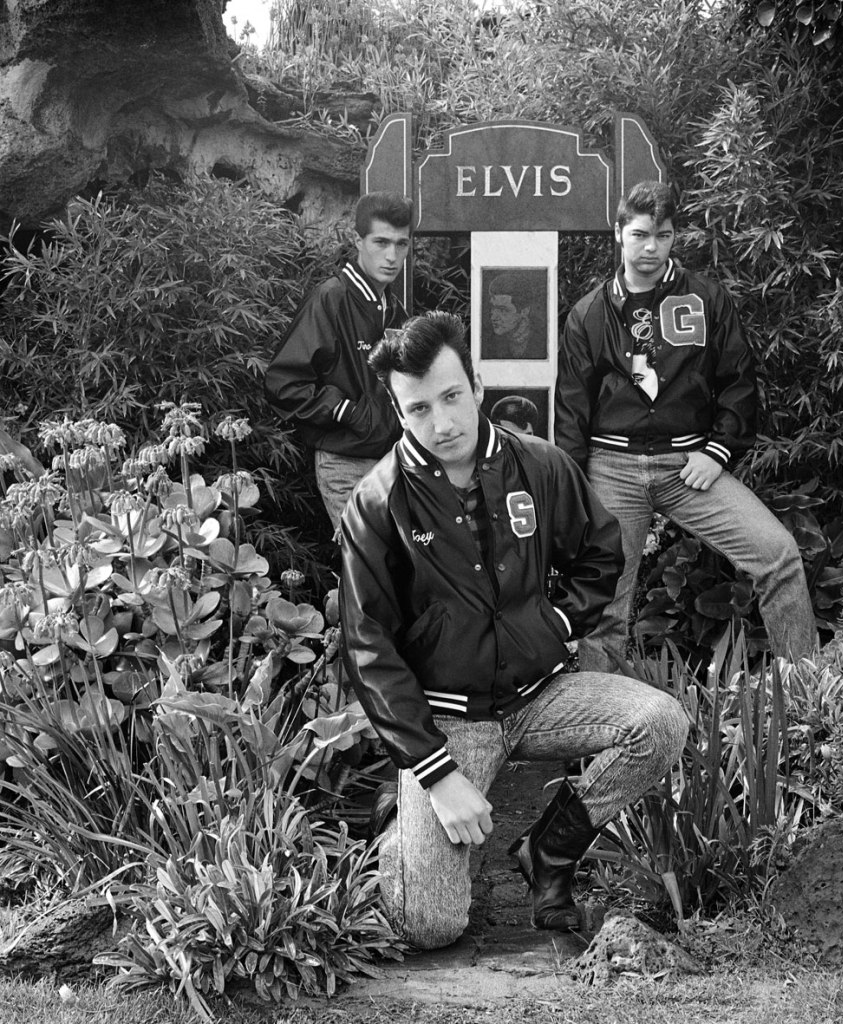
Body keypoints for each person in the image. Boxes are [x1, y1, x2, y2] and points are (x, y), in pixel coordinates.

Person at [339, 311, 689, 949]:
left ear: (476, 385)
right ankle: (401, 833)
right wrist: (437, 775)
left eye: (451, 397)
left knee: (660, 722)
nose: (441, 424)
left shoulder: (541, 465)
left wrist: (555, 623)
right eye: (418, 409)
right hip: (451, 720)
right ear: (398, 410)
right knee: (430, 928)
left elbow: (602, 553)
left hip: (543, 695)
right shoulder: (376, 501)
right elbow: (368, 648)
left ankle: (548, 851)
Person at [556, 180, 817, 671]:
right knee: (606, 609)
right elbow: (571, 413)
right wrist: (574, 496)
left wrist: (717, 450)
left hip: (688, 466)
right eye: (639, 235)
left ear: (676, 237)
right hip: (612, 468)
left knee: (779, 555)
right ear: (618, 233)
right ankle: (599, 735)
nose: (650, 248)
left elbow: (738, 380)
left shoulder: (706, 299)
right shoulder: (588, 314)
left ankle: (808, 703)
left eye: (664, 236)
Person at [264, 191, 413, 532]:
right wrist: (350, 413)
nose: (391, 256)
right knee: (366, 569)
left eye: (401, 245)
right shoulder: (331, 298)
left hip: (392, 464)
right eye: (381, 242)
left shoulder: (393, 308)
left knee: (391, 575)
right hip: (345, 464)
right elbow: (283, 382)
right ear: (356, 240)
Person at [483, 270, 545, 359]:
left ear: (524, 311)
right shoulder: (489, 342)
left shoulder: (543, 340)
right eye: (493, 308)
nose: (493, 317)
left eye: (503, 310)